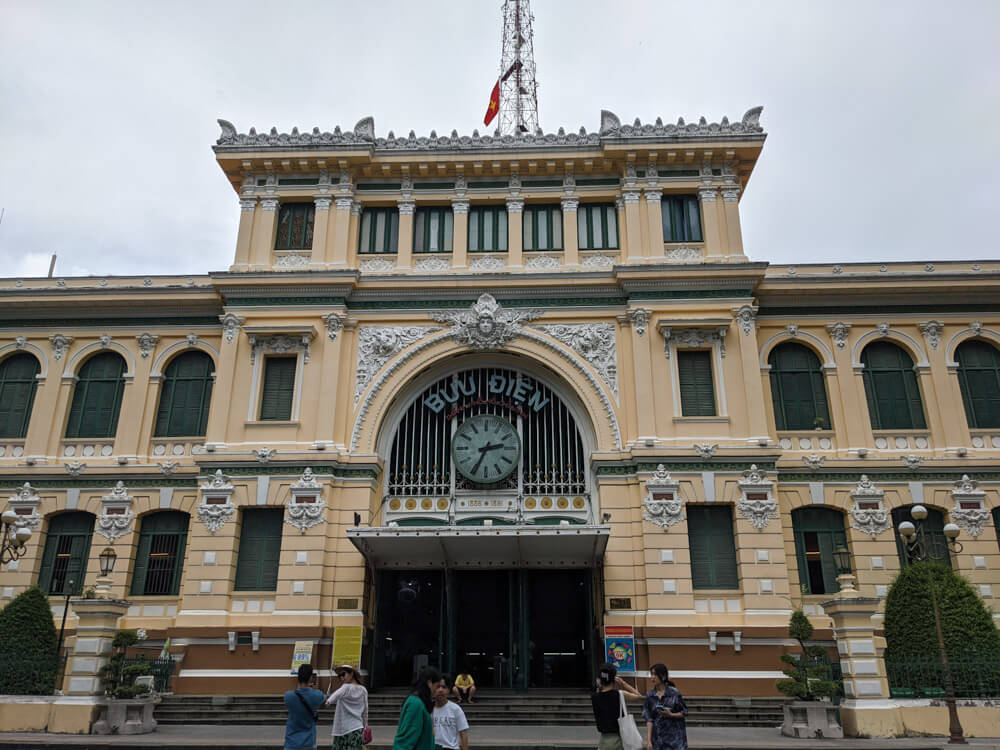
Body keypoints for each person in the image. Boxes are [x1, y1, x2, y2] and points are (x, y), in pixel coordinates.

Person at [590, 662, 644, 750]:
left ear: (599, 680)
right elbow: (639, 697)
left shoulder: (594, 697)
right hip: (619, 739)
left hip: (604, 740)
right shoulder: (620, 694)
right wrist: (624, 684)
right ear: (614, 679)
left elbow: (599, 688)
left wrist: (599, 683)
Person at [393, 665, 444, 750]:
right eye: (437, 686)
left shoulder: (420, 703)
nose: (439, 690)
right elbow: (405, 742)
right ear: (429, 683)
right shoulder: (415, 704)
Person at [642, 663, 688, 750]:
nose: (652, 677)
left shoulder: (674, 693)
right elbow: (649, 719)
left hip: (675, 740)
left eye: (655, 674)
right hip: (658, 740)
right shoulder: (650, 695)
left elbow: (685, 712)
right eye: (651, 674)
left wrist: (671, 715)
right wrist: (648, 741)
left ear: (663, 677)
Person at [326, 663, 369, 750]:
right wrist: (365, 726)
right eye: (339, 676)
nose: (341, 677)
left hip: (343, 731)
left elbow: (336, 694)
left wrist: (328, 701)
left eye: (343, 674)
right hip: (357, 728)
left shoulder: (345, 687)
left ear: (351, 674)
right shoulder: (363, 690)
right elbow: (365, 710)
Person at [284, 663, 325, 750]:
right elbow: (323, 704)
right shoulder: (317, 695)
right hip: (309, 742)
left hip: (291, 742)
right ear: (311, 678)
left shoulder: (288, 696)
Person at [433, 674, 469, 750]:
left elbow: (463, 734)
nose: (440, 690)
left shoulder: (456, 709)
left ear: (449, 690)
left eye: (444, 687)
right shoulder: (427, 710)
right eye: (437, 687)